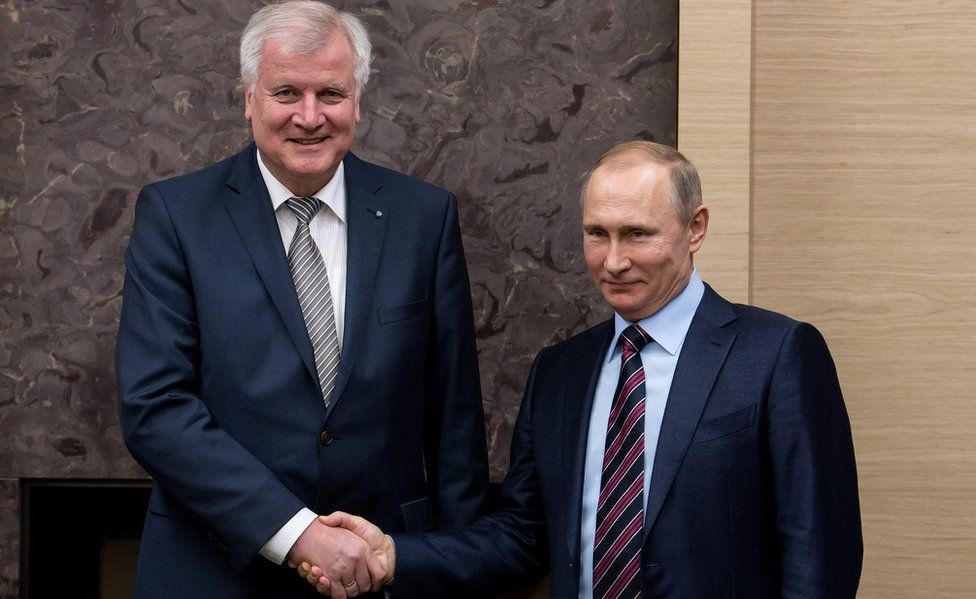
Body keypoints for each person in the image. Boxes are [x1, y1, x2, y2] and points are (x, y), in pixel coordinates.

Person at [299, 141, 863, 598]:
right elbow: (523, 539)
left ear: (695, 228)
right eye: (598, 234)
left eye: (637, 233)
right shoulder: (560, 374)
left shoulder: (778, 354)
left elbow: (819, 552)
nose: (613, 260)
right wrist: (395, 555)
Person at [115, 2, 488, 597]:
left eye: (331, 94)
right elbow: (155, 408)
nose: (309, 117)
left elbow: (455, 422)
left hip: (382, 574)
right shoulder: (175, 217)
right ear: (249, 99)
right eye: (286, 92)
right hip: (212, 570)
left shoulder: (425, 218)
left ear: (358, 101)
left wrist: (453, 568)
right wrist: (299, 535)